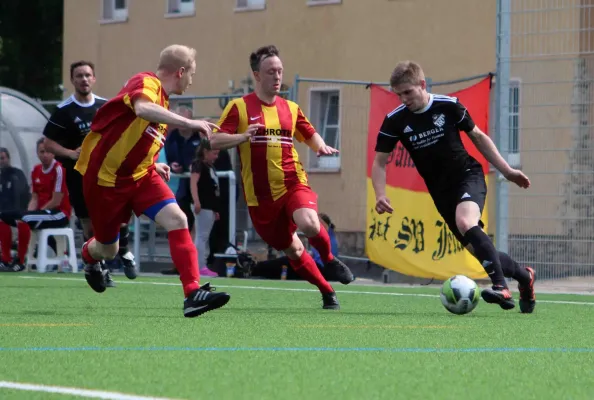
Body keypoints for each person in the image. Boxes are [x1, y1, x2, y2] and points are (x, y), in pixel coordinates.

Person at [74, 44, 230, 318]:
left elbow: (133, 138)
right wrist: (189, 123)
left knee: (178, 220)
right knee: (108, 250)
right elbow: (142, 109)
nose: (193, 80)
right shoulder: (146, 82)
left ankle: (192, 293)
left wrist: (153, 164)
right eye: (192, 73)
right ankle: (89, 257)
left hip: (140, 176)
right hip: (105, 181)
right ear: (181, 72)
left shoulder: (165, 103)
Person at [372, 61, 536, 313]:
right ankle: (524, 277)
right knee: (478, 252)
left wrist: (507, 171)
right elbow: (380, 163)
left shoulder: (448, 106)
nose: (404, 99)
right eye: (399, 94)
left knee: (465, 222)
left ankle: (502, 287)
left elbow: (478, 137)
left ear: (422, 85)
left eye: (408, 92)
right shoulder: (395, 121)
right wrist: (380, 195)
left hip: (467, 176)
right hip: (441, 193)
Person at [210, 45, 354, 310]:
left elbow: (309, 132)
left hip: (292, 181)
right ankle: (327, 291)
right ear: (256, 75)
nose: (277, 77)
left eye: (279, 71)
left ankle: (330, 259)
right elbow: (214, 140)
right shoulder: (238, 108)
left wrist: (320, 146)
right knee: (294, 251)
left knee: (310, 223)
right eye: (270, 72)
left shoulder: (290, 108)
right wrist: (242, 137)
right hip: (260, 198)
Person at [42, 60, 137, 285]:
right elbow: (48, 143)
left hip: (107, 172)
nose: (84, 79)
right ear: (72, 80)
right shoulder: (64, 110)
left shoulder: (106, 106)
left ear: (94, 79)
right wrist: (70, 153)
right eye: (79, 76)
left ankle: (124, 250)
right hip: (79, 175)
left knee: (121, 211)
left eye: (87, 75)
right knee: (89, 224)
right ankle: (99, 268)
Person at [0, 139, 72, 272]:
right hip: (41, 214)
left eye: (48, 152)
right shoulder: (36, 170)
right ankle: (6, 259)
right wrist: (29, 212)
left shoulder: (59, 170)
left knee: (25, 219)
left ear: (53, 154)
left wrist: (33, 215)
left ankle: (21, 261)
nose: (45, 155)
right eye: (42, 152)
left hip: (59, 213)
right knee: (3, 217)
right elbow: (34, 198)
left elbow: (56, 201)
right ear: (37, 153)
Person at [190, 144, 220, 277]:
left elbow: (213, 189)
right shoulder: (198, 164)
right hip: (203, 205)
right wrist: (196, 201)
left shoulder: (210, 166)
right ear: (205, 151)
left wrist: (216, 209)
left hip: (209, 206)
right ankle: (199, 266)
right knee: (201, 237)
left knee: (203, 236)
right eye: (214, 153)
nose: (216, 157)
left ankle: (200, 265)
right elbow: (193, 184)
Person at [0, 148, 30, 271]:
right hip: (4, 214)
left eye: (3, 158)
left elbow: (22, 195)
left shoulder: (17, 174)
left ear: (8, 159)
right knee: (2, 220)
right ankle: (5, 260)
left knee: (20, 222)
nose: (1, 161)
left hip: (18, 214)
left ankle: (20, 260)